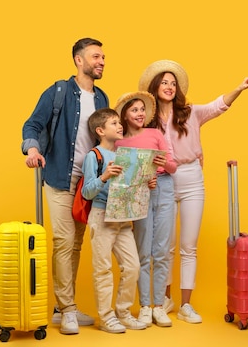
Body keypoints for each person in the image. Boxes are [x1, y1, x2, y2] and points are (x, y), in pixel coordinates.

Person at [139, 59, 248, 323]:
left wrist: (238, 88)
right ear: (155, 87)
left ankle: (186, 305)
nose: (169, 86)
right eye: (164, 82)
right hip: (161, 180)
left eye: (173, 83)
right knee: (164, 246)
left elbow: (218, 106)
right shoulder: (146, 118)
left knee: (188, 246)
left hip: (191, 178)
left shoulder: (191, 113)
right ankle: (164, 299)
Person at [21, 37, 108, 335]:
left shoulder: (102, 98)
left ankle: (62, 307)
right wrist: (32, 150)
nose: (101, 62)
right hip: (59, 176)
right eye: (96, 57)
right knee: (62, 240)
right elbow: (32, 124)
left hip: (88, 182)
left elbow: (105, 140)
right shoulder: (59, 91)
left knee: (75, 245)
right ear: (78, 60)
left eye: (103, 58)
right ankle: (68, 308)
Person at [114, 91, 178, 327]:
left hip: (163, 187)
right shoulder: (119, 142)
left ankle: (159, 306)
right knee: (143, 251)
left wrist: (164, 164)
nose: (140, 114)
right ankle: (144, 306)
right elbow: (120, 179)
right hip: (137, 192)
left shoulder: (155, 134)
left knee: (161, 250)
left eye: (142, 109)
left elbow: (173, 167)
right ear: (125, 115)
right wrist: (140, 181)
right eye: (134, 110)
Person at [82, 108, 148, 333]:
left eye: (120, 122)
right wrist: (104, 176)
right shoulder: (95, 156)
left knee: (132, 266)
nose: (120, 126)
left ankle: (123, 312)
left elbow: (128, 186)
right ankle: (106, 317)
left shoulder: (125, 154)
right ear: (100, 130)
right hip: (101, 217)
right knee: (103, 270)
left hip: (122, 218)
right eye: (113, 123)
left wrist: (145, 184)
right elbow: (87, 193)